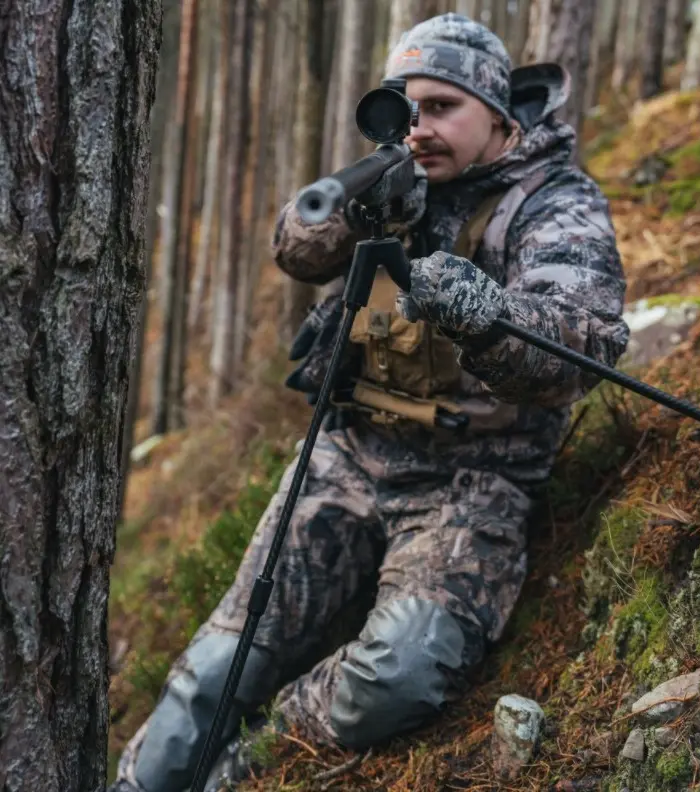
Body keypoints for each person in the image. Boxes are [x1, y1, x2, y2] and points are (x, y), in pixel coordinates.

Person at [109, 12, 629, 792]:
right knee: (216, 666)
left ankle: (248, 763)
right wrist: (359, 211)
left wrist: (487, 315)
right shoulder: (396, 181)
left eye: (442, 107)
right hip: (344, 456)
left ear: (496, 112)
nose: (419, 128)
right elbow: (295, 246)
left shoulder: (554, 202)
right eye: (405, 107)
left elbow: (581, 346)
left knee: (397, 673)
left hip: (470, 483)